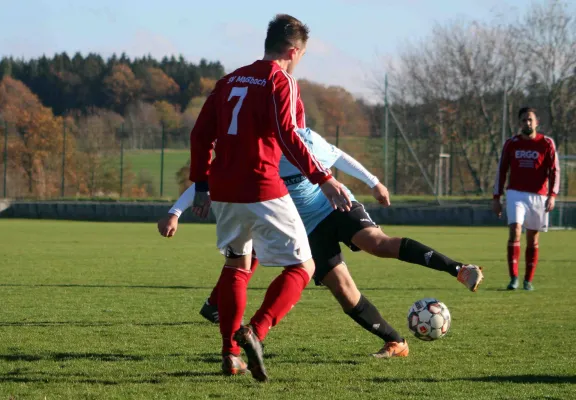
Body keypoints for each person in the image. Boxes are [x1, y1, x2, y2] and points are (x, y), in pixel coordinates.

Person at [159, 127, 484, 364]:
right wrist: (175, 212)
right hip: (306, 230)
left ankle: (458, 269)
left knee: (377, 243)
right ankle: (396, 342)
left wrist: (374, 182)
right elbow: (212, 180)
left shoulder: (302, 138)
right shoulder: (253, 152)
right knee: (346, 293)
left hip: (336, 208)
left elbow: (339, 156)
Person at [186, 14, 351, 382]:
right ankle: (256, 332)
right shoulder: (281, 80)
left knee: (236, 266)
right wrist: (323, 178)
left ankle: (230, 354)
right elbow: (289, 135)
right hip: (262, 187)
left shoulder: (228, 81)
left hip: (225, 191)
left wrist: (201, 184)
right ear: (293, 50)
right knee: (303, 267)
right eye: (301, 56)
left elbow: (200, 136)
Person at [493, 107, 560, 291]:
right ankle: (513, 277)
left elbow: (554, 171)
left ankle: (527, 280)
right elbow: (501, 170)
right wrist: (496, 197)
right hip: (516, 193)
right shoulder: (511, 144)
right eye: (524, 120)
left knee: (532, 238)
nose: (527, 123)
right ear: (519, 123)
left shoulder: (546, 143)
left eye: (530, 120)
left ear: (536, 122)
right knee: (515, 230)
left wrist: (552, 196)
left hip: (539, 195)